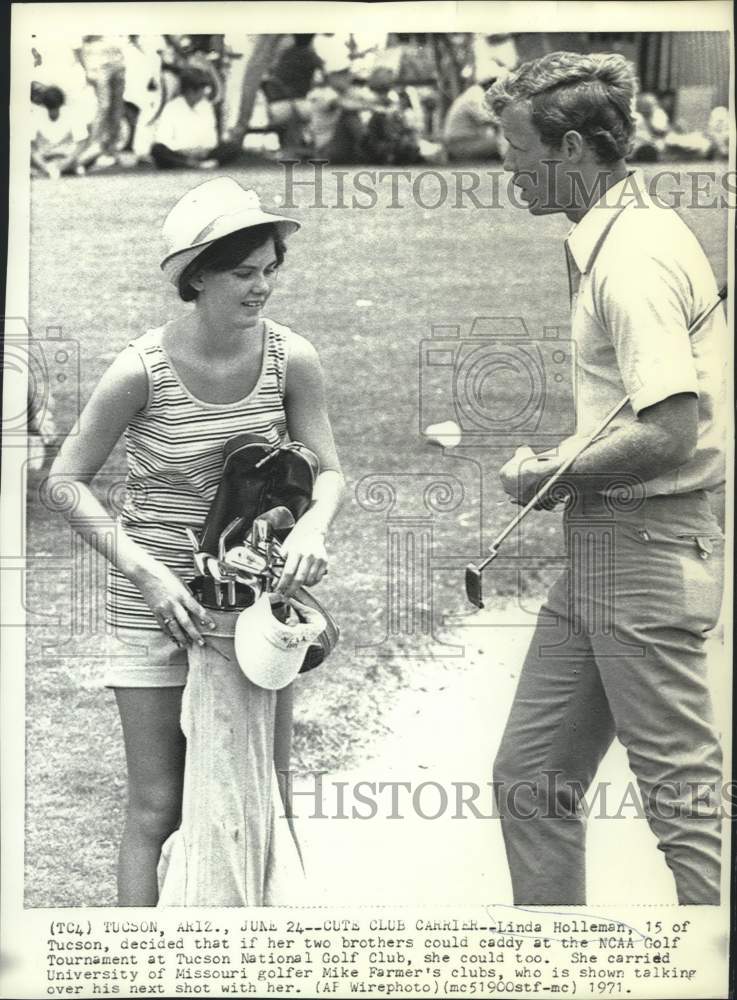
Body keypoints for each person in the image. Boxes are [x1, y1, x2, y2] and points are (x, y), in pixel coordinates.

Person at [48, 177, 345, 905]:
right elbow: (65, 481)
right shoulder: (139, 371)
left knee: (265, 791)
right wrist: (147, 574)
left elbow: (329, 471)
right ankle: (141, 972)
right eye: (244, 272)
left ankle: (270, 961)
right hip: (155, 608)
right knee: (158, 807)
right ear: (197, 276)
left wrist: (310, 524)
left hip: (248, 606)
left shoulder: (290, 359)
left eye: (270, 269)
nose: (262, 287)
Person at [485, 52, 726, 905]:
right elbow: (636, 409)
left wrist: (548, 474)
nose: (505, 165)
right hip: (603, 546)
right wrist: (568, 465)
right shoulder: (618, 234)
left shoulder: (632, 262)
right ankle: (558, 968)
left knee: (683, 799)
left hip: (647, 546)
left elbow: (669, 431)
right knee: (530, 777)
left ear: (575, 147)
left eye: (516, 146)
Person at [151, 66, 239, 170]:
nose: (205, 93)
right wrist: (185, 150)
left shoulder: (206, 106)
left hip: (203, 153)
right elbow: (163, 138)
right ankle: (194, 164)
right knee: (157, 149)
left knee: (233, 146)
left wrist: (202, 149)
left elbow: (211, 137)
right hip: (180, 153)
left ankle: (199, 163)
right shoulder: (172, 107)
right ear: (191, 91)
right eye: (202, 89)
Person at [30, 84, 98, 178]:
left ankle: (66, 168)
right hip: (45, 157)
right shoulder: (36, 115)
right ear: (44, 106)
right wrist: (43, 165)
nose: (53, 112)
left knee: (95, 150)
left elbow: (82, 142)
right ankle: (65, 169)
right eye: (50, 109)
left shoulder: (71, 113)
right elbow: (32, 146)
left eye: (55, 108)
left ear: (60, 105)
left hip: (67, 157)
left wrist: (67, 162)